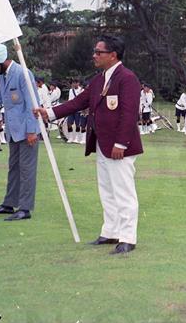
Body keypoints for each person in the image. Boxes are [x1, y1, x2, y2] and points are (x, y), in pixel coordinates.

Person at [35, 35, 142, 255]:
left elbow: (129, 114)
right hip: (102, 143)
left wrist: (121, 143)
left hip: (119, 146)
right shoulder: (98, 80)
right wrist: (50, 113)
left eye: (98, 52)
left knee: (123, 191)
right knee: (107, 190)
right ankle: (111, 231)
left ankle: (128, 237)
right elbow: (78, 102)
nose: (94, 55)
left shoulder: (127, 78)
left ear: (112, 55)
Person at [0, 44, 41, 221]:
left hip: (27, 132)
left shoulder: (23, 74)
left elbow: (32, 104)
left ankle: (25, 208)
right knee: (14, 169)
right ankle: (9, 204)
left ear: (0, 61)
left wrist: (32, 131)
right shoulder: (3, 77)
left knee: (27, 171)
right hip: (13, 132)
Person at [66, 79, 84, 143]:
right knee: (69, 123)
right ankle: (70, 137)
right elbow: (69, 99)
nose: (74, 84)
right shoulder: (71, 90)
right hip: (71, 108)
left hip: (78, 109)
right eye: (73, 83)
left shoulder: (81, 90)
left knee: (77, 124)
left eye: (75, 83)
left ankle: (77, 138)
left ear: (78, 83)